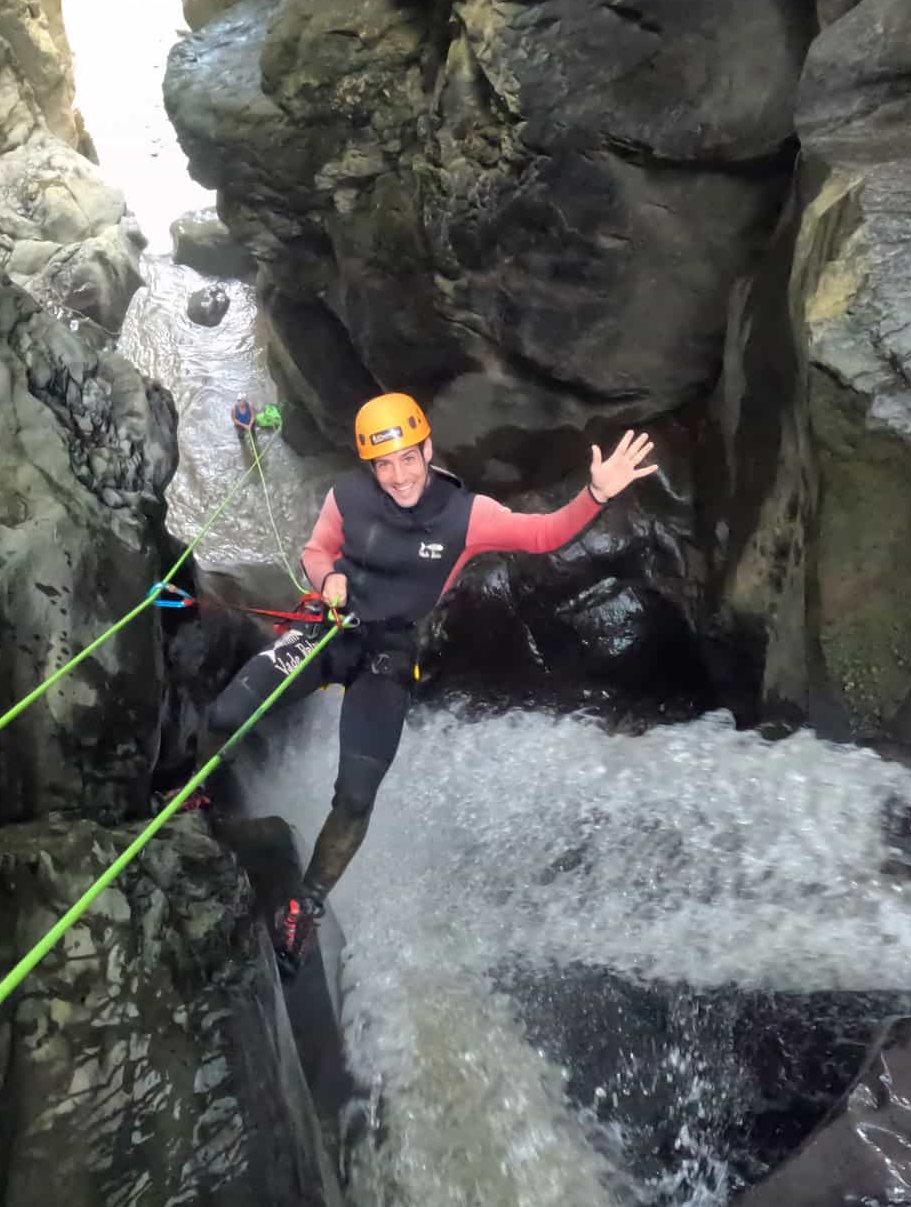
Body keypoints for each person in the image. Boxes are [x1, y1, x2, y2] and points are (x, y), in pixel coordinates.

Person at [203, 391, 658, 972]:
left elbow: (542, 534)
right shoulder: (347, 498)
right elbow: (316, 550)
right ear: (370, 465)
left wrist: (596, 494)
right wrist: (330, 578)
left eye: (408, 459)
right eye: (384, 465)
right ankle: (197, 789)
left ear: (427, 449)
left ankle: (306, 904)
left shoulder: (466, 515)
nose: (398, 476)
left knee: (356, 797)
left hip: (388, 655)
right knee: (227, 713)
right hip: (329, 627)